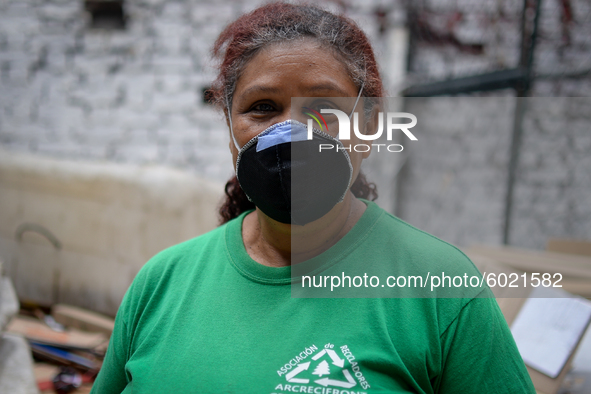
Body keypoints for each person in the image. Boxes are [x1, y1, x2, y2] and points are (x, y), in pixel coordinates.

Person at [90, 3, 536, 393]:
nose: (292, 135)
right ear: (229, 125)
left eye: (324, 109)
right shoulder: (162, 283)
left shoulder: (441, 290)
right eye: (262, 107)